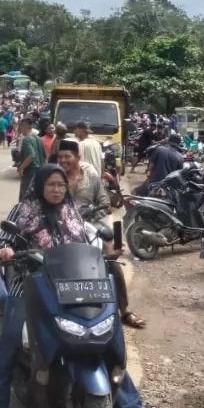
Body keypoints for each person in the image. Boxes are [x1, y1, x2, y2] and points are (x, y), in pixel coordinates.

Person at [0, 165, 155, 408]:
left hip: (72, 284)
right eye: (50, 184)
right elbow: (0, 243)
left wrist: (106, 251)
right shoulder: (23, 210)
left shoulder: (71, 210)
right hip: (29, 284)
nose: (56, 190)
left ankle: (130, 405)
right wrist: (5, 251)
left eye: (60, 185)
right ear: (40, 185)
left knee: (100, 338)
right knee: (10, 342)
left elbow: (86, 242)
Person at [56, 141, 146, 329]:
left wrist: (90, 213)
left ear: (78, 157)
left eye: (67, 156)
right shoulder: (54, 178)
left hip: (91, 226)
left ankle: (124, 311)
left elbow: (105, 203)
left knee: (112, 263)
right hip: (60, 228)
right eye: (60, 157)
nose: (63, 160)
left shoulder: (92, 178)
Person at [15, 119, 45, 200]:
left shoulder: (27, 139)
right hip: (40, 170)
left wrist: (21, 168)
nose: (20, 129)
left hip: (30, 171)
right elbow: (44, 155)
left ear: (24, 127)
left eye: (20, 127)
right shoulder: (39, 138)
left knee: (26, 194)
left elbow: (31, 155)